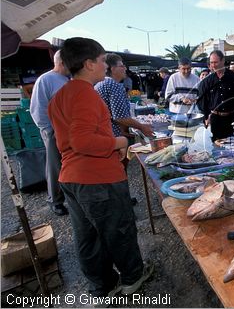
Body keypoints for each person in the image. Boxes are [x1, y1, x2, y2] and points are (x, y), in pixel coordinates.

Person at [47, 37, 153, 299]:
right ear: (88, 63)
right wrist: (119, 141)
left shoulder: (60, 96)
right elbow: (82, 140)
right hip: (97, 178)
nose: (106, 65)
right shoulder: (86, 95)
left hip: (72, 177)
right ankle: (132, 278)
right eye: (104, 60)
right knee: (119, 230)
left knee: (88, 237)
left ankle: (103, 285)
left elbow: (67, 140)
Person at [95, 53, 154, 172]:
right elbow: (120, 117)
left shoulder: (101, 83)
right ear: (112, 69)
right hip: (113, 137)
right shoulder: (113, 84)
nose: (125, 68)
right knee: (118, 172)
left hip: (105, 135)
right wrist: (142, 127)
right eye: (122, 66)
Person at [30, 50, 70, 216]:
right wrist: (48, 130)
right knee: (55, 166)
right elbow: (37, 108)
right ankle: (55, 200)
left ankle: (72, 196)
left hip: (71, 131)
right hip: (54, 131)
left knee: (69, 165)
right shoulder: (45, 80)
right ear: (61, 62)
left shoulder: (69, 79)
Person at [197, 50, 234, 140]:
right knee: (215, 147)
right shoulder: (207, 81)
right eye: (211, 63)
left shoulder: (233, 78)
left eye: (216, 62)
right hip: (215, 120)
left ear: (223, 61)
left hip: (231, 119)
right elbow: (202, 101)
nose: (213, 65)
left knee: (232, 147)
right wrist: (206, 116)